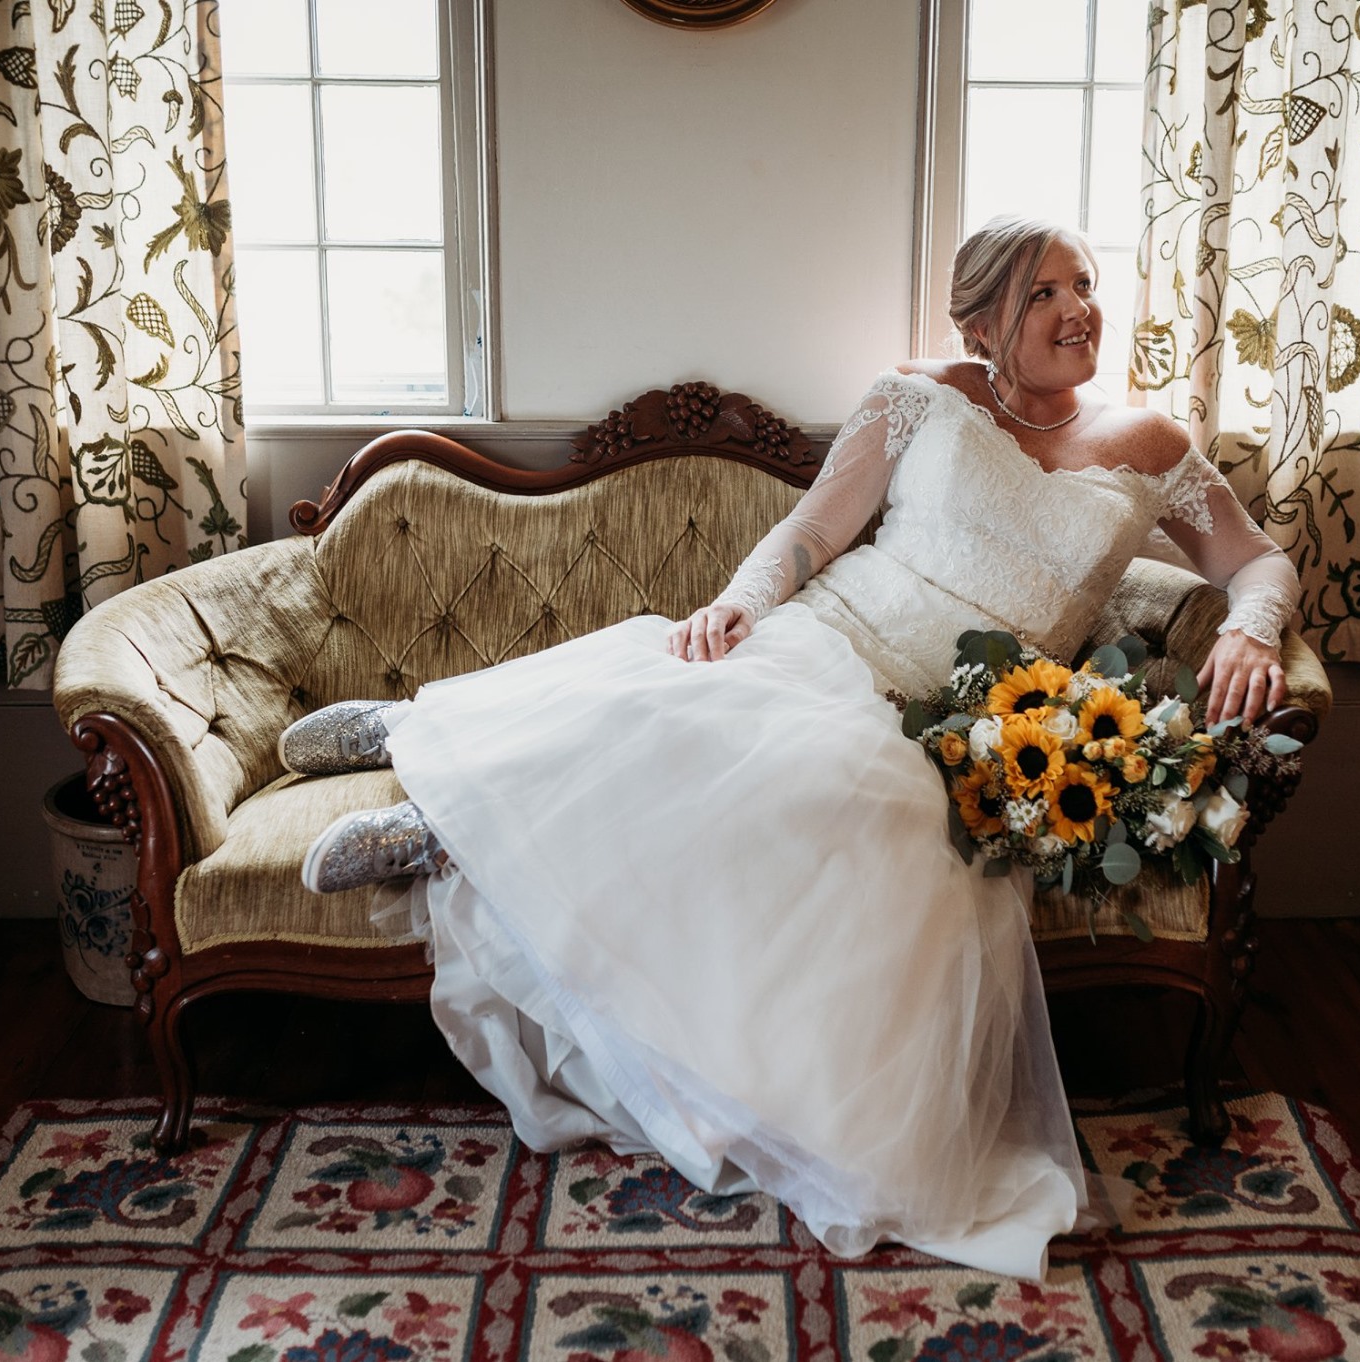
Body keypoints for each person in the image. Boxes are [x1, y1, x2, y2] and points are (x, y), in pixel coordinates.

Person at [276, 216, 1301, 1279]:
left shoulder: (1151, 447)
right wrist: (741, 601)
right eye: (1042, 293)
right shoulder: (919, 394)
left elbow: (1259, 562)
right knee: (675, 709)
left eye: (1081, 283)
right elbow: (814, 529)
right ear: (981, 324)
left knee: (834, 796)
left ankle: (456, 815)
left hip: (952, 721)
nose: (1076, 308)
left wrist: (1249, 628)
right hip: (831, 634)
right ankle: (435, 779)